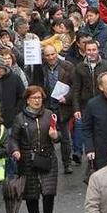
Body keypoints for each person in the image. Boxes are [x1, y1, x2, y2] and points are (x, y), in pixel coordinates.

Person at [9, 86, 60, 213]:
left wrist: (55, 135)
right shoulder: (20, 118)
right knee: (31, 196)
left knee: (49, 193)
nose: (37, 101)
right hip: (28, 159)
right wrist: (15, 150)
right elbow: (13, 139)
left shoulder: (49, 115)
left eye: (39, 98)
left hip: (47, 157)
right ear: (27, 100)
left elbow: (58, 137)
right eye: (34, 98)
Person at [31, 45, 76, 174]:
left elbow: (75, 86)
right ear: (44, 56)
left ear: (56, 53)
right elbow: (36, 84)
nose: (51, 57)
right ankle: (46, 162)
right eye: (47, 55)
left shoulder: (67, 66)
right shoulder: (40, 68)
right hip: (47, 106)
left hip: (62, 106)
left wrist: (67, 97)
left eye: (52, 54)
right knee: (45, 136)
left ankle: (67, 163)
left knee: (65, 137)